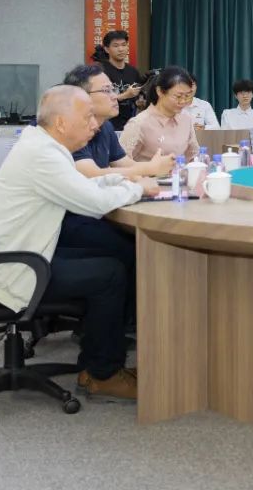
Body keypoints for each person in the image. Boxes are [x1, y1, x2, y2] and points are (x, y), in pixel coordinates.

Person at [0, 85, 159, 400]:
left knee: (116, 257)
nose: (94, 124)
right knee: (110, 274)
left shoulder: (43, 145)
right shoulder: (43, 155)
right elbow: (94, 203)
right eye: (87, 117)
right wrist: (139, 188)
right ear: (62, 123)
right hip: (6, 269)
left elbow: (80, 185)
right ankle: (102, 374)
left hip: (15, 254)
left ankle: (100, 362)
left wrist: (125, 179)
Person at [61, 64, 171, 327]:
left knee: (136, 241)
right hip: (69, 217)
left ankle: (129, 322)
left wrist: (151, 173)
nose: (115, 95)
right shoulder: (71, 130)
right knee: (133, 246)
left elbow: (123, 165)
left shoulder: (105, 127)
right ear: (81, 97)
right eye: (107, 90)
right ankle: (123, 325)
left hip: (96, 210)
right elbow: (90, 175)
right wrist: (146, 172)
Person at [118, 66, 200, 162]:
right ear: (160, 91)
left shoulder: (186, 119)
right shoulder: (139, 123)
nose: (183, 101)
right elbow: (120, 163)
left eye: (187, 96)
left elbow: (194, 156)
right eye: (178, 96)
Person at [96, 30, 145, 131]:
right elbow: (97, 100)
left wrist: (140, 103)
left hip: (130, 125)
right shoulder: (100, 71)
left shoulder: (133, 71)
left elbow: (136, 99)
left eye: (124, 45)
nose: (121, 49)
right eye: (116, 46)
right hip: (106, 126)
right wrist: (125, 95)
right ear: (106, 49)